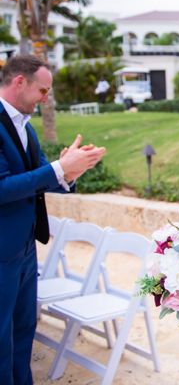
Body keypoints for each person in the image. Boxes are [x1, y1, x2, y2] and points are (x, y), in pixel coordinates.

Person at [0, 54, 106, 385]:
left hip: (26, 247)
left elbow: (41, 177)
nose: (46, 98)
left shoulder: (25, 127)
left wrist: (69, 170)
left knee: (23, 329)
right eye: (43, 91)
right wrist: (58, 169)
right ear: (20, 82)